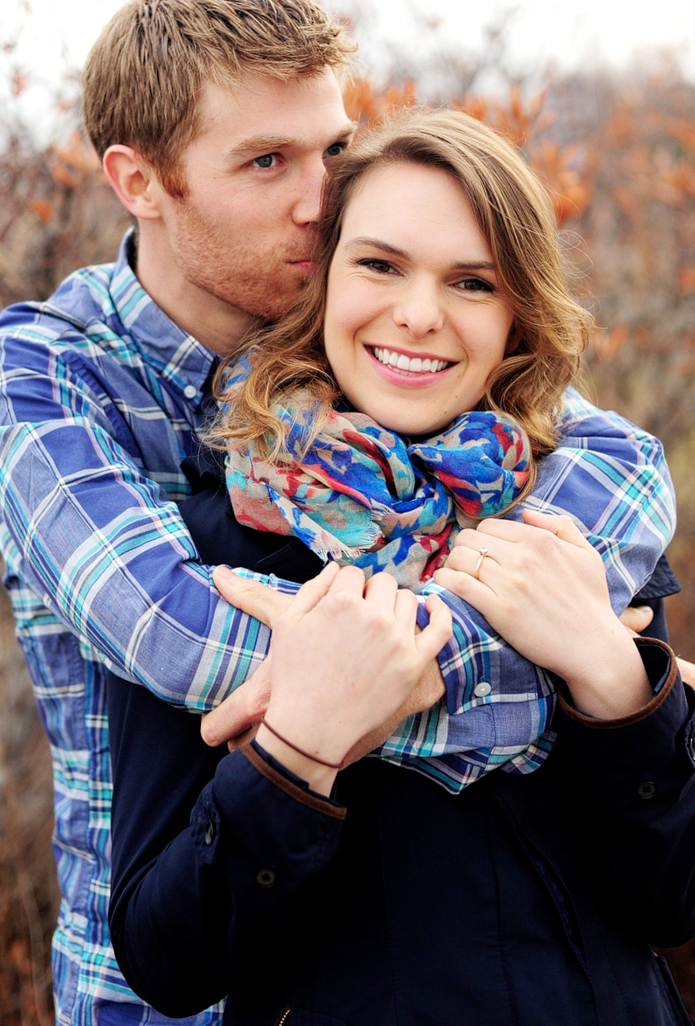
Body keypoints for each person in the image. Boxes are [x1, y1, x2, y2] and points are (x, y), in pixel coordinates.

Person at [0, 0, 677, 1026]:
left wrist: (607, 671)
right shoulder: (46, 372)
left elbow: (606, 448)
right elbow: (174, 632)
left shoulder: (384, 348)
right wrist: (583, 675)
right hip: (159, 975)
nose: (321, 197)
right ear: (139, 179)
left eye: (334, 150)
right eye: (267, 163)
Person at [105, 109, 695, 1024]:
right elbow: (165, 955)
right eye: (380, 265)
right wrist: (296, 749)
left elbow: (677, 897)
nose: (419, 314)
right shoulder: (212, 553)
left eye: (471, 281)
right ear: (322, 283)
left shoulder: (577, 525)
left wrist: (614, 679)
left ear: (516, 317)